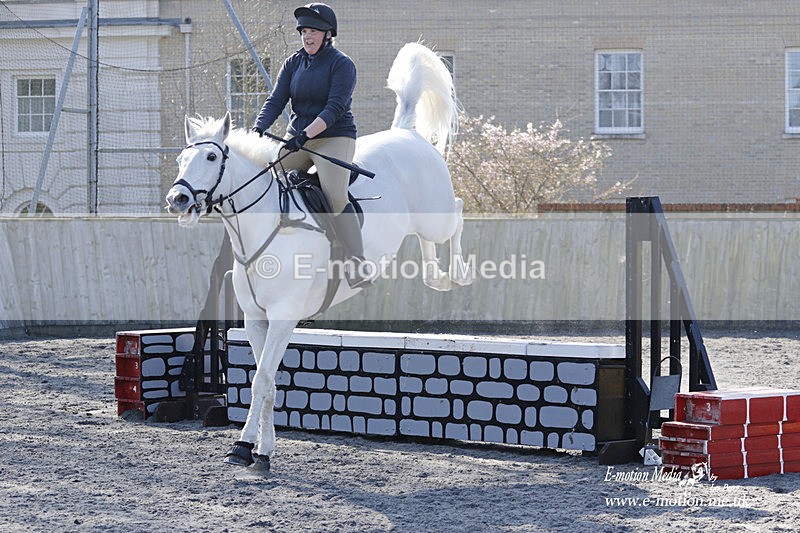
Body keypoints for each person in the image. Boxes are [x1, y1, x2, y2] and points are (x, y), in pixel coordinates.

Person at [251, 3, 369, 289]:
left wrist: (305, 134)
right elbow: (276, 100)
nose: (307, 36)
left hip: (334, 136)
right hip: (298, 136)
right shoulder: (293, 63)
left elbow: (335, 108)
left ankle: (356, 263)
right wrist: (257, 128)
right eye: (303, 31)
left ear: (328, 34)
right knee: (264, 178)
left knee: (335, 196)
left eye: (313, 31)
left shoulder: (342, 64)